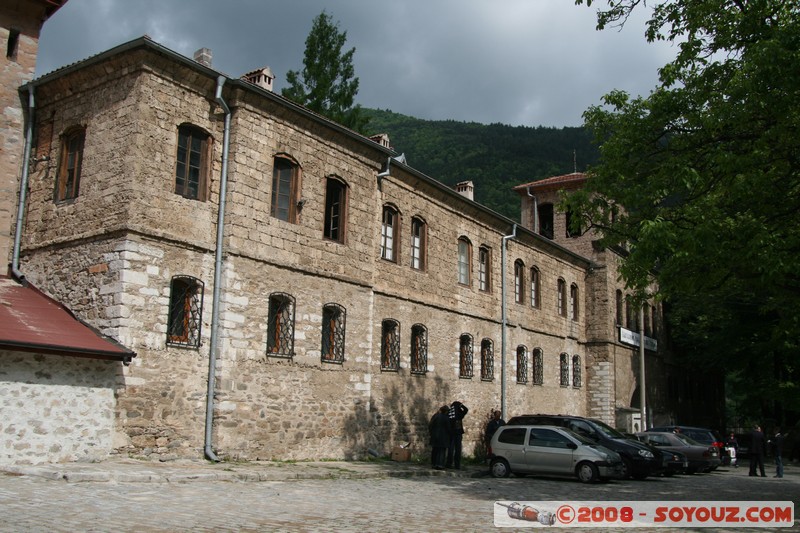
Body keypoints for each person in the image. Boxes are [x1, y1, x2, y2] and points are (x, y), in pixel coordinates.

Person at [446, 401, 469, 469]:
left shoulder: (450, 414)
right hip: (458, 433)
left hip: (452, 433)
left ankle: (449, 463)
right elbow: (466, 410)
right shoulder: (459, 414)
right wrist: (461, 405)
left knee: (451, 448)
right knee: (458, 449)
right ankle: (457, 464)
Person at [429, 405, 451, 470]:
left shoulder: (435, 416)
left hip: (434, 436)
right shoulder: (446, 418)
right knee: (441, 451)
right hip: (443, 437)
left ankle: (434, 464)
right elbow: (448, 428)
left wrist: (431, 433)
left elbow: (430, 425)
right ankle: (440, 464)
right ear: (446, 411)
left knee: (435, 450)